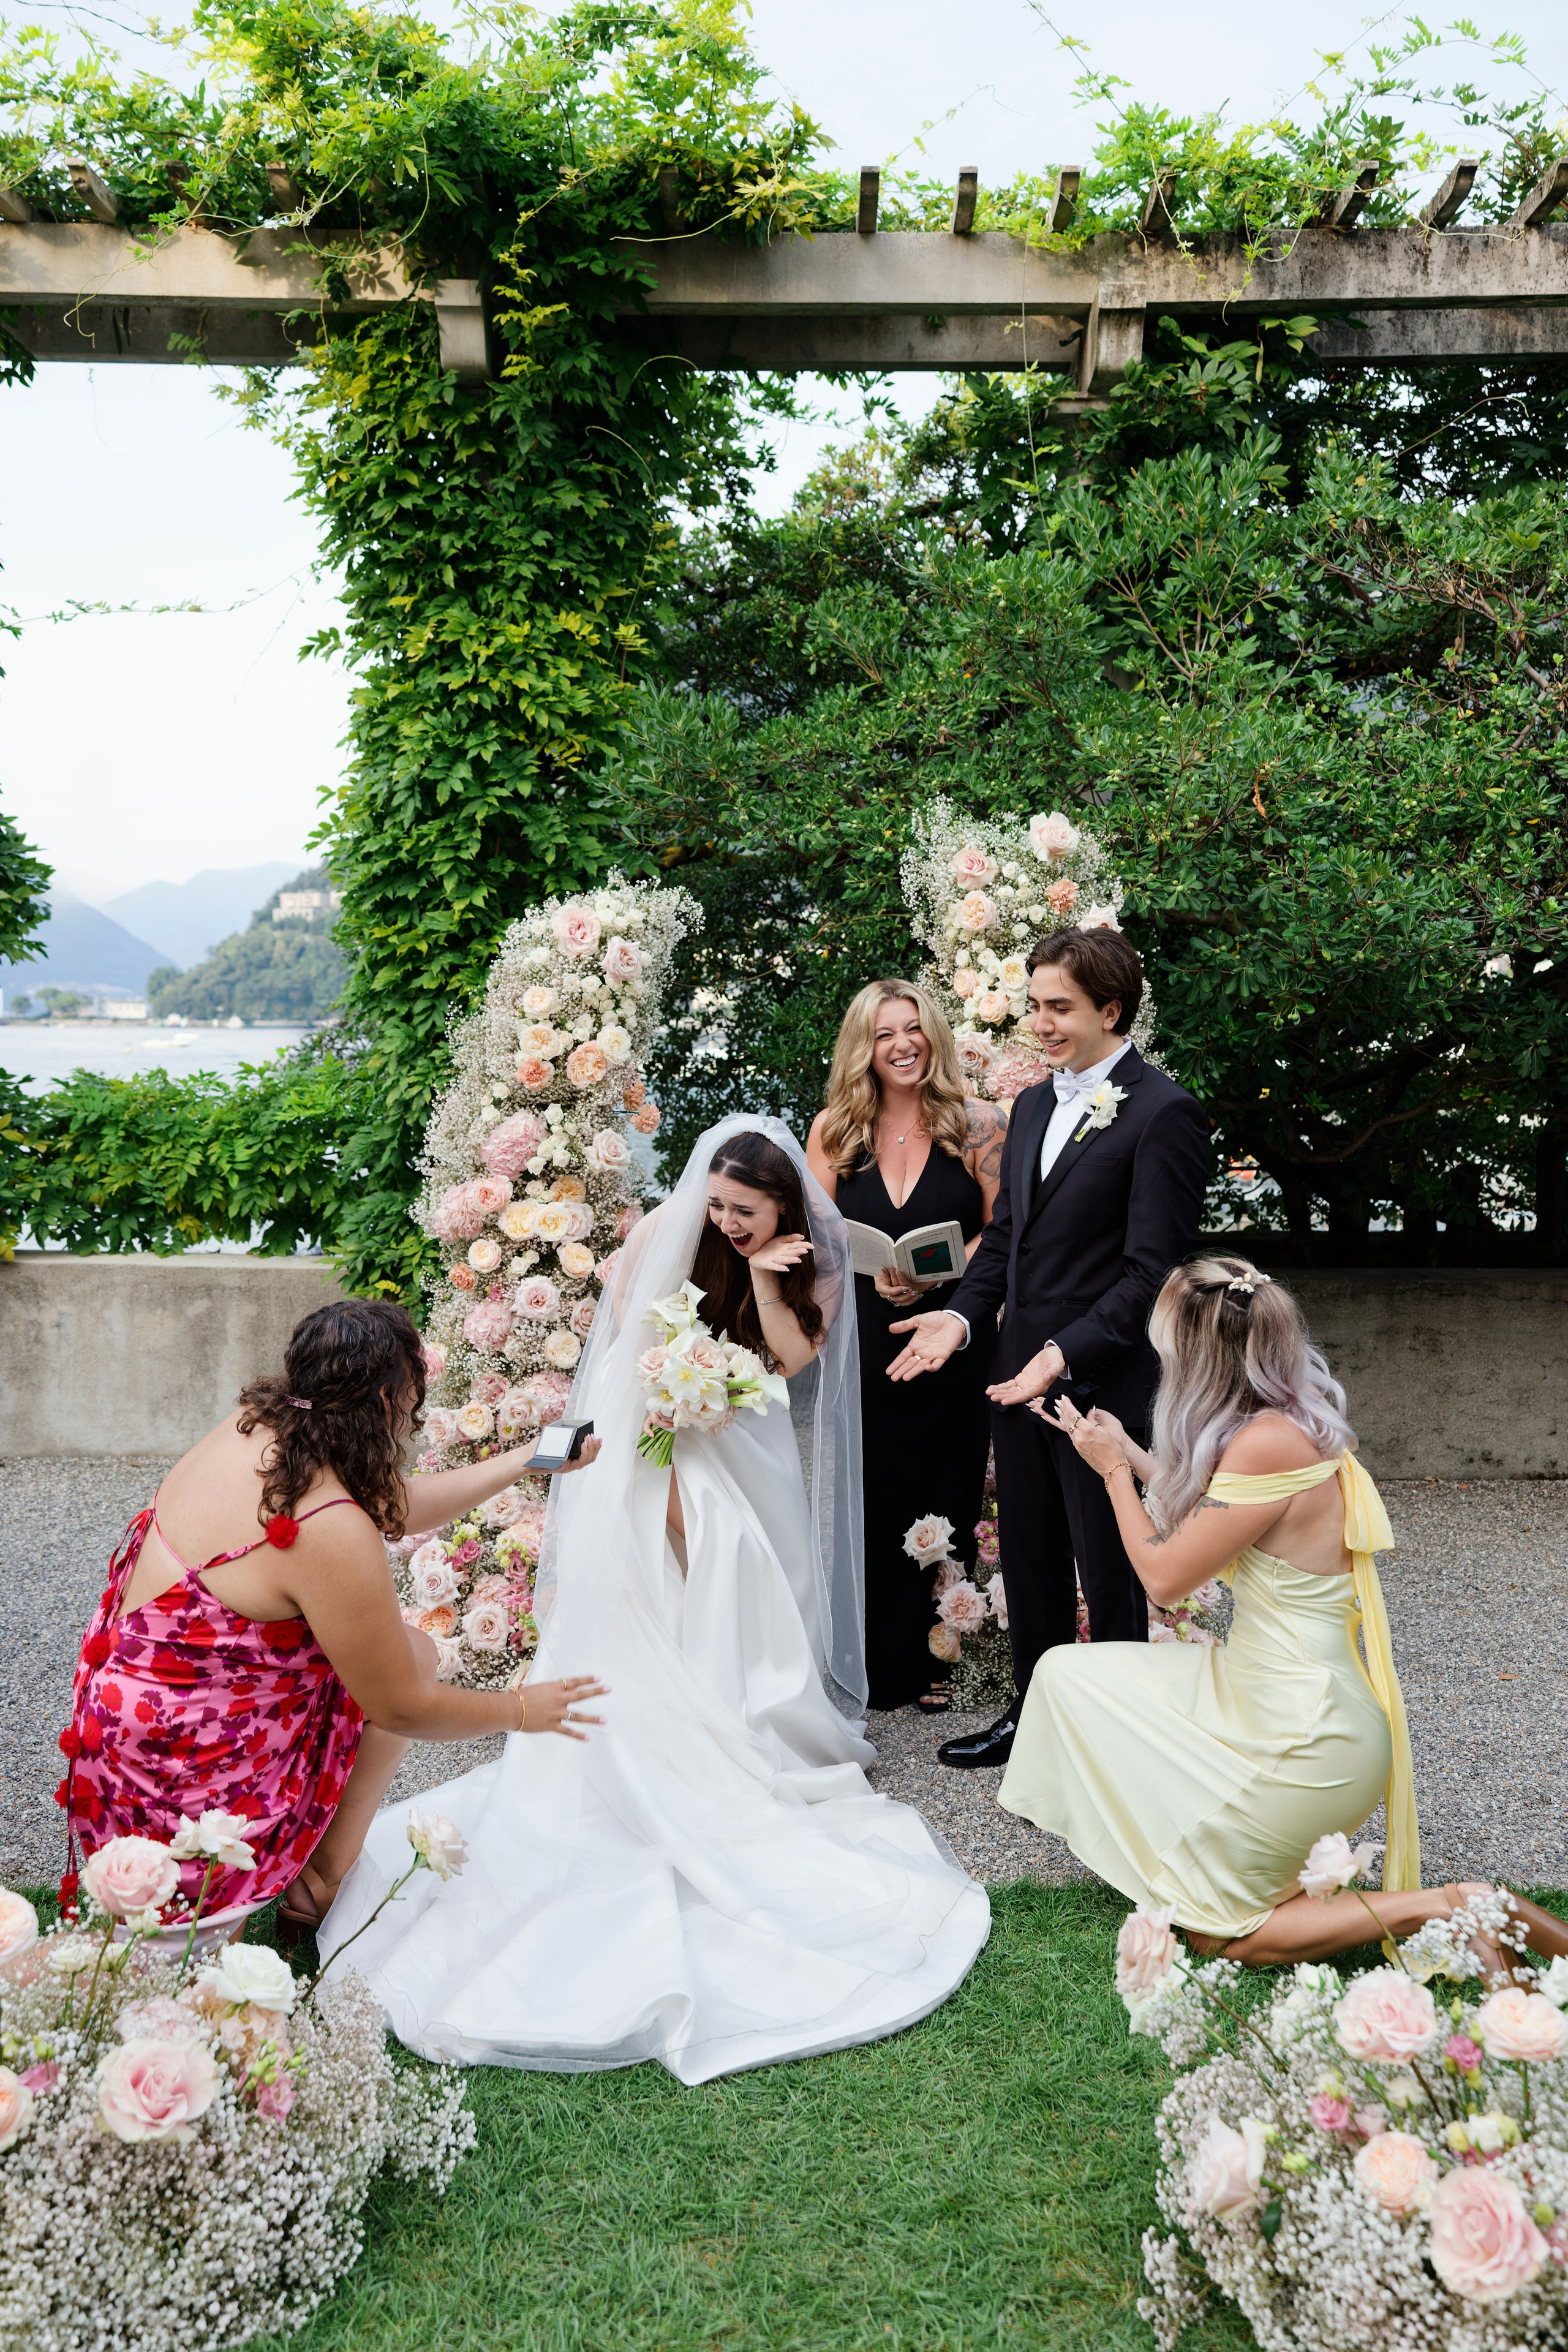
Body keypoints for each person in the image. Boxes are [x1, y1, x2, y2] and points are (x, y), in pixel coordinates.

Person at [317, 1117, 991, 2084]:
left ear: (783, 1209)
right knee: (691, 1566)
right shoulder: (667, 1235)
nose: (725, 1222)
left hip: (742, 1447)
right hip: (652, 1453)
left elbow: (790, 1366)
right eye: (718, 1206)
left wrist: (763, 1282)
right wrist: (670, 1437)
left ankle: (742, 1713)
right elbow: (628, 1359)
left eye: (745, 1213)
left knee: (754, 1578)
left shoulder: (808, 1259)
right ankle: (667, 1722)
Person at [999, 1257, 1568, 1971]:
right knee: (1067, 1674)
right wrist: (1128, 1455)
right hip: (1268, 1695)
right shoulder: (1280, 1424)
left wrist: (1113, 1471)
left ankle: (1451, 1904)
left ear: (1197, 1356)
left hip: (1307, 1731)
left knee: (1217, 1933)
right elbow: (1216, 1513)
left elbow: (1165, 1579)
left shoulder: (1265, 1443)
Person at [64, 1298, 606, 1942]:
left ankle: (319, 1881)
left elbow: (393, 1507)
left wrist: (529, 1460)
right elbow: (402, 1708)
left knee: (415, 1650)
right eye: (412, 1401)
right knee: (188, 1972)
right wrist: (522, 1711)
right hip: (186, 1759)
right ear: (386, 1399)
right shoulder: (330, 1529)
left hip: (123, 1711)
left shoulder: (263, 1425)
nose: (412, 1417)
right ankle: (274, 1885)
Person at [885, 927, 1211, 1770]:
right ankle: (1036, 1722)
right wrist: (959, 1320)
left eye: (1059, 1008)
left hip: (1101, 1381)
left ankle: (1115, 1744)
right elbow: (1005, 1245)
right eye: (1034, 1005)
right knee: (1029, 1550)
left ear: (1112, 1008)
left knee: (1108, 1567)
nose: (1042, 1023)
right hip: (1015, 1375)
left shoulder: (1165, 1114)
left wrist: (1062, 1355)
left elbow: (1152, 1275)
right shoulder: (1030, 1105)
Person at [807, 981, 1006, 1711]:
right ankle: (879, 1656)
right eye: (886, 1032)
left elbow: (1004, 1231)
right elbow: (819, 1234)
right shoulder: (835, 1129)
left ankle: (940, 1649)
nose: (903, 1043)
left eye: (915, 1028)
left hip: (954, 1332)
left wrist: (942, 1278)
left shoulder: (979, 1124)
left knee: (949, 1482)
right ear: (864, 1046)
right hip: (867, 1335)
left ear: (935, 1037)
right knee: (876, 1487)